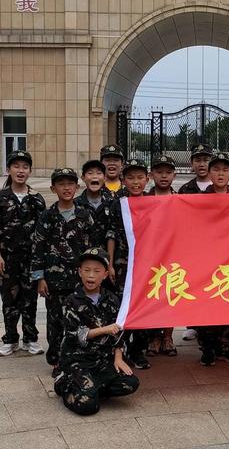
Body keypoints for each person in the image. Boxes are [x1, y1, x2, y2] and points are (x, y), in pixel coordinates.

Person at [54, 247, 139, 415]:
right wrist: (103, 330)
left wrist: (118, 357)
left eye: (96, 271)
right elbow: (74, 335)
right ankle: (65, 383)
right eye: (86, 270)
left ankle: (89, 388)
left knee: (130, 382)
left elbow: (119, 333)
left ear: (106, 274)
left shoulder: (112, 299)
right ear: (80, 272)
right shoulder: (72, 301)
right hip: (78, 361)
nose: (91, 275)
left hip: (102, 360)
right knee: (88, 407)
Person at [31, 168, 94, 376]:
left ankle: (78, 357)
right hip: (54, 281)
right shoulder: (47, 217)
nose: (66, 188)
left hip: (79, 281)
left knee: (80, 319)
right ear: (53, 188)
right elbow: (38, 248)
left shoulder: (85, 215)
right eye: (61, 184)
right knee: (55, 321)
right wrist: (39, 278)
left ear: (77, 187)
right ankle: (57, 359)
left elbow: (92, 248)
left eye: (70, 184)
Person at [197, 153, 229, 366]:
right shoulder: (197, 199)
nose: (220, 174)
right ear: (209, 172)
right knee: (207, 304)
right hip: (206, 260)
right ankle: (207, 347)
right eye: (216, 170)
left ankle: (228, 346)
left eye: (225, 170)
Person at [0, 151, 46, 356]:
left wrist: (41, 261)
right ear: (8, 170)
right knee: (9, 300)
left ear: (29, 171)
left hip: (30, 259)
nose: (21, 171)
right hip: (7, 259)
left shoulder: (36, 199)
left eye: (25, 167)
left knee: (30, 299)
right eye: (16, 166)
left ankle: (30, 338)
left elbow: (43, 232)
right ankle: (10, 339)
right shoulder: (2, 197)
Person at [107, 159, 151, 369]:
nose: (136, 182)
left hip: (149, 264)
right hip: (124, 263)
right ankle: (120, 349)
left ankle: (138, 350)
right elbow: (112, 234)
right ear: (124, 180)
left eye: (140, 177)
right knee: (122, 307)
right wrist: (110, 264)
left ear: (147, 179)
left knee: (144, 305)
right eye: (131, 178)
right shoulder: (118, 203)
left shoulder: (154, 203)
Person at [178, 144, 213, 342]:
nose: (202, 164)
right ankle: (193, 324)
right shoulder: (185, 189)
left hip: (215, 248)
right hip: (193, 248)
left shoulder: (219, 187)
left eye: (206, 160)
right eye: (198, 160)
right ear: (191, 164)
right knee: (193, 286)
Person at [146, 155, 177, 357]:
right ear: (151, 175)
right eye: (159, 172)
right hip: (150, 256)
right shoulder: (143, 200)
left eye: (167, 172)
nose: (164, 176)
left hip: (174, 255)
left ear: (174, 175)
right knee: (153, 296)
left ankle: (167, 336)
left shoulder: (181, 198)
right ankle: (153, 337)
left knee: (171, 295)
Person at [74, 160, 114, 249]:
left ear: (105, 178)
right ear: (83, 178)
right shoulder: (75, 205)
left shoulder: (113, 203)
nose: (95, 176)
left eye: (99, 173)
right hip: (83, 258)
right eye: (90, 173)